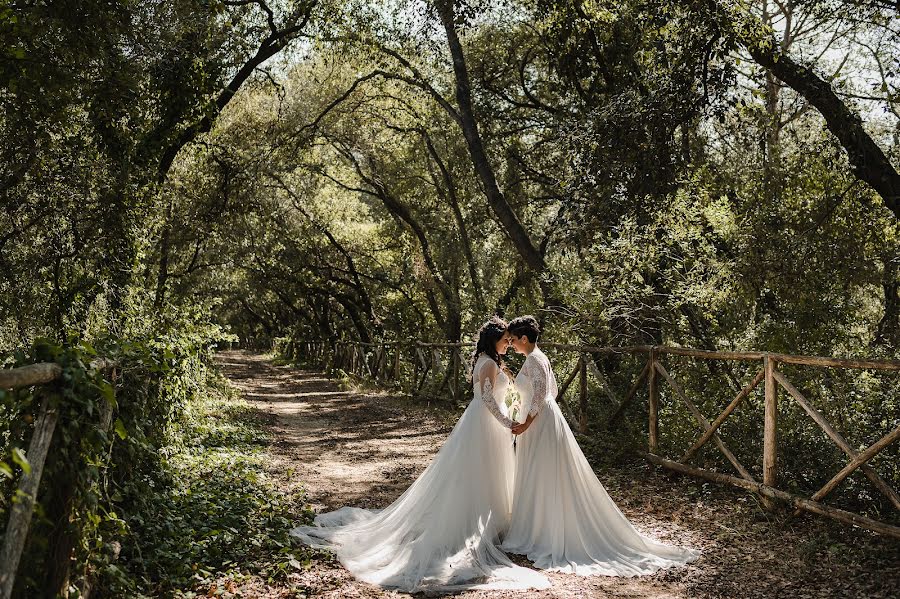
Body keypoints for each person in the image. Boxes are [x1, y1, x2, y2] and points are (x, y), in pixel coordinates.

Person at [290, 317, 550, 592]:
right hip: (484, 425)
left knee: (489, 472)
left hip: (490, 426)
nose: (509, 344)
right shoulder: (486, 363)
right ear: (493, 340)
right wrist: (507, 422)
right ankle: (469, 524)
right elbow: (486, 399)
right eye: (505, 340)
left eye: (511, 340)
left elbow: (497, 396)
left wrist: (509, 413)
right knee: (476, 471)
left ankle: (492, 522)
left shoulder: (492, 361)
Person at [503, 315, 700, 576]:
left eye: (514, 340)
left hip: (539, 422)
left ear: (524, 339)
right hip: (545, 418)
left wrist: (527, 422)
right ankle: (538, 525)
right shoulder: (539, 357)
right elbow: (551, 388)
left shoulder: (534, 360)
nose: (512, 344)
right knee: (542, 473)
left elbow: (541, 394)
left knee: (544, 472)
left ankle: (544, 530)